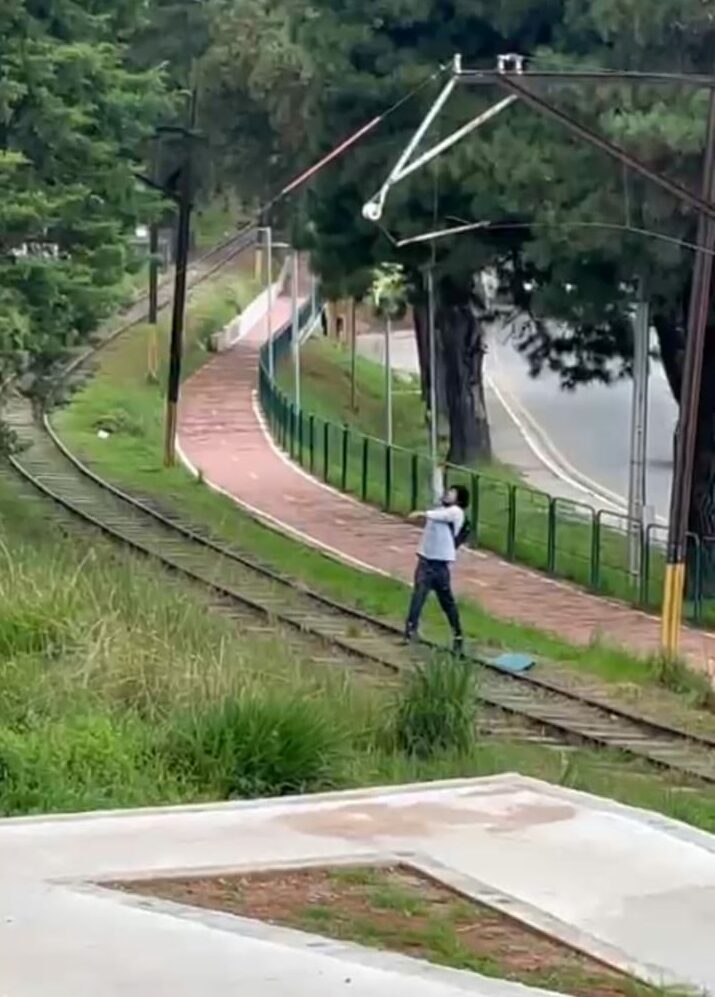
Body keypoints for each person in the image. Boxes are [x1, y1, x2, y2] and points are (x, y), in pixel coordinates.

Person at [404, 483, 470, 654]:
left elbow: (443, 516)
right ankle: (410, 629)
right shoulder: (440, 509)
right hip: (425, 560)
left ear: (459, 499)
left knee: (447, 602)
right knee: (418, 596)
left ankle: (458, 635)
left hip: (440, 564)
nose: (448, 494)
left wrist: (423, 513)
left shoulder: (455, 513)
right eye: (448, 491)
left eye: (453, 493)